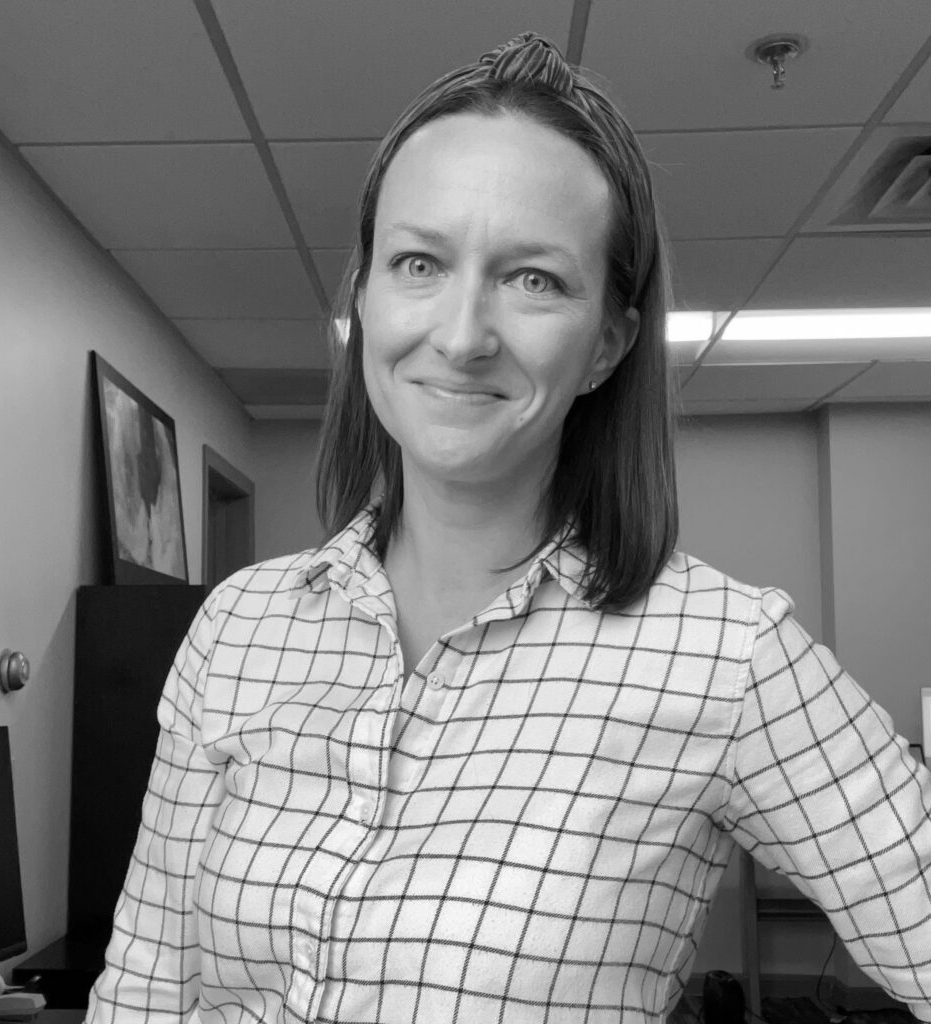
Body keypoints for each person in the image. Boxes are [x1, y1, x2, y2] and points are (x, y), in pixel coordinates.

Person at [86, 33, 931, 1024]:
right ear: (363, 296)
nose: (461, 333)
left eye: (533, 278)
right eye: (418, 262)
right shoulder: (237, 626)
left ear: (608, 341)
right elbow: (143, 987)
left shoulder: (725, 657)